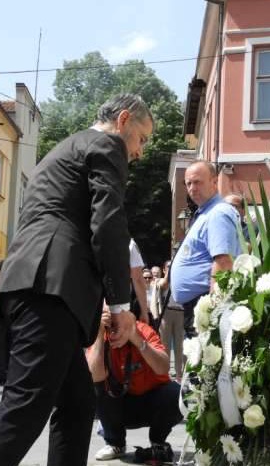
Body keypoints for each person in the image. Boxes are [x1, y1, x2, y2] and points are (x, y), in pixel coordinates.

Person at [0, 94, 152, 466]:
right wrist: (120, 304)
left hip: (37, 284)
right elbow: (108, 223)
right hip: (50, 289)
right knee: (24, 408)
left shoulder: (67, 147)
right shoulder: (106, 144)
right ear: (124, 120)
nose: (140, 151)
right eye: (142, 138)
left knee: (77, 404)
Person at [88, 305, 182, 463]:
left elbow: (163, 368)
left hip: (152, 401)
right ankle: (115, 442)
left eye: (117, 324)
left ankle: (158, 440)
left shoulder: (142, 330)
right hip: (119, 405)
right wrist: (99, 335)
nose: (114, 330)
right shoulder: (101, 336)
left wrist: (138, 340)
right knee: (97, 388)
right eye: (109, 324)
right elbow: (93, 377)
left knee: (177, 394)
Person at [170, 161, 241, 337]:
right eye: (188, 183)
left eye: (198, 182)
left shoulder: (217, 213)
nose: (192, 188)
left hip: (204, 306)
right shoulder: (207, 213)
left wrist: (211, 312)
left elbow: (223, 262)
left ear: (214, 182)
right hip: (197, 306)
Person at [157, 260, 185, 379]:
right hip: (167, 313)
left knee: (180, 346)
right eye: (168, 267)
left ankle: (179, 375)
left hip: (180, 313)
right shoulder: (160, 280)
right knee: (165, 345)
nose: (171, 268)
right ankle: (165, 374)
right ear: (163, 270)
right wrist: (170, 271)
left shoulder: (180, 278)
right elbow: (164, 284)